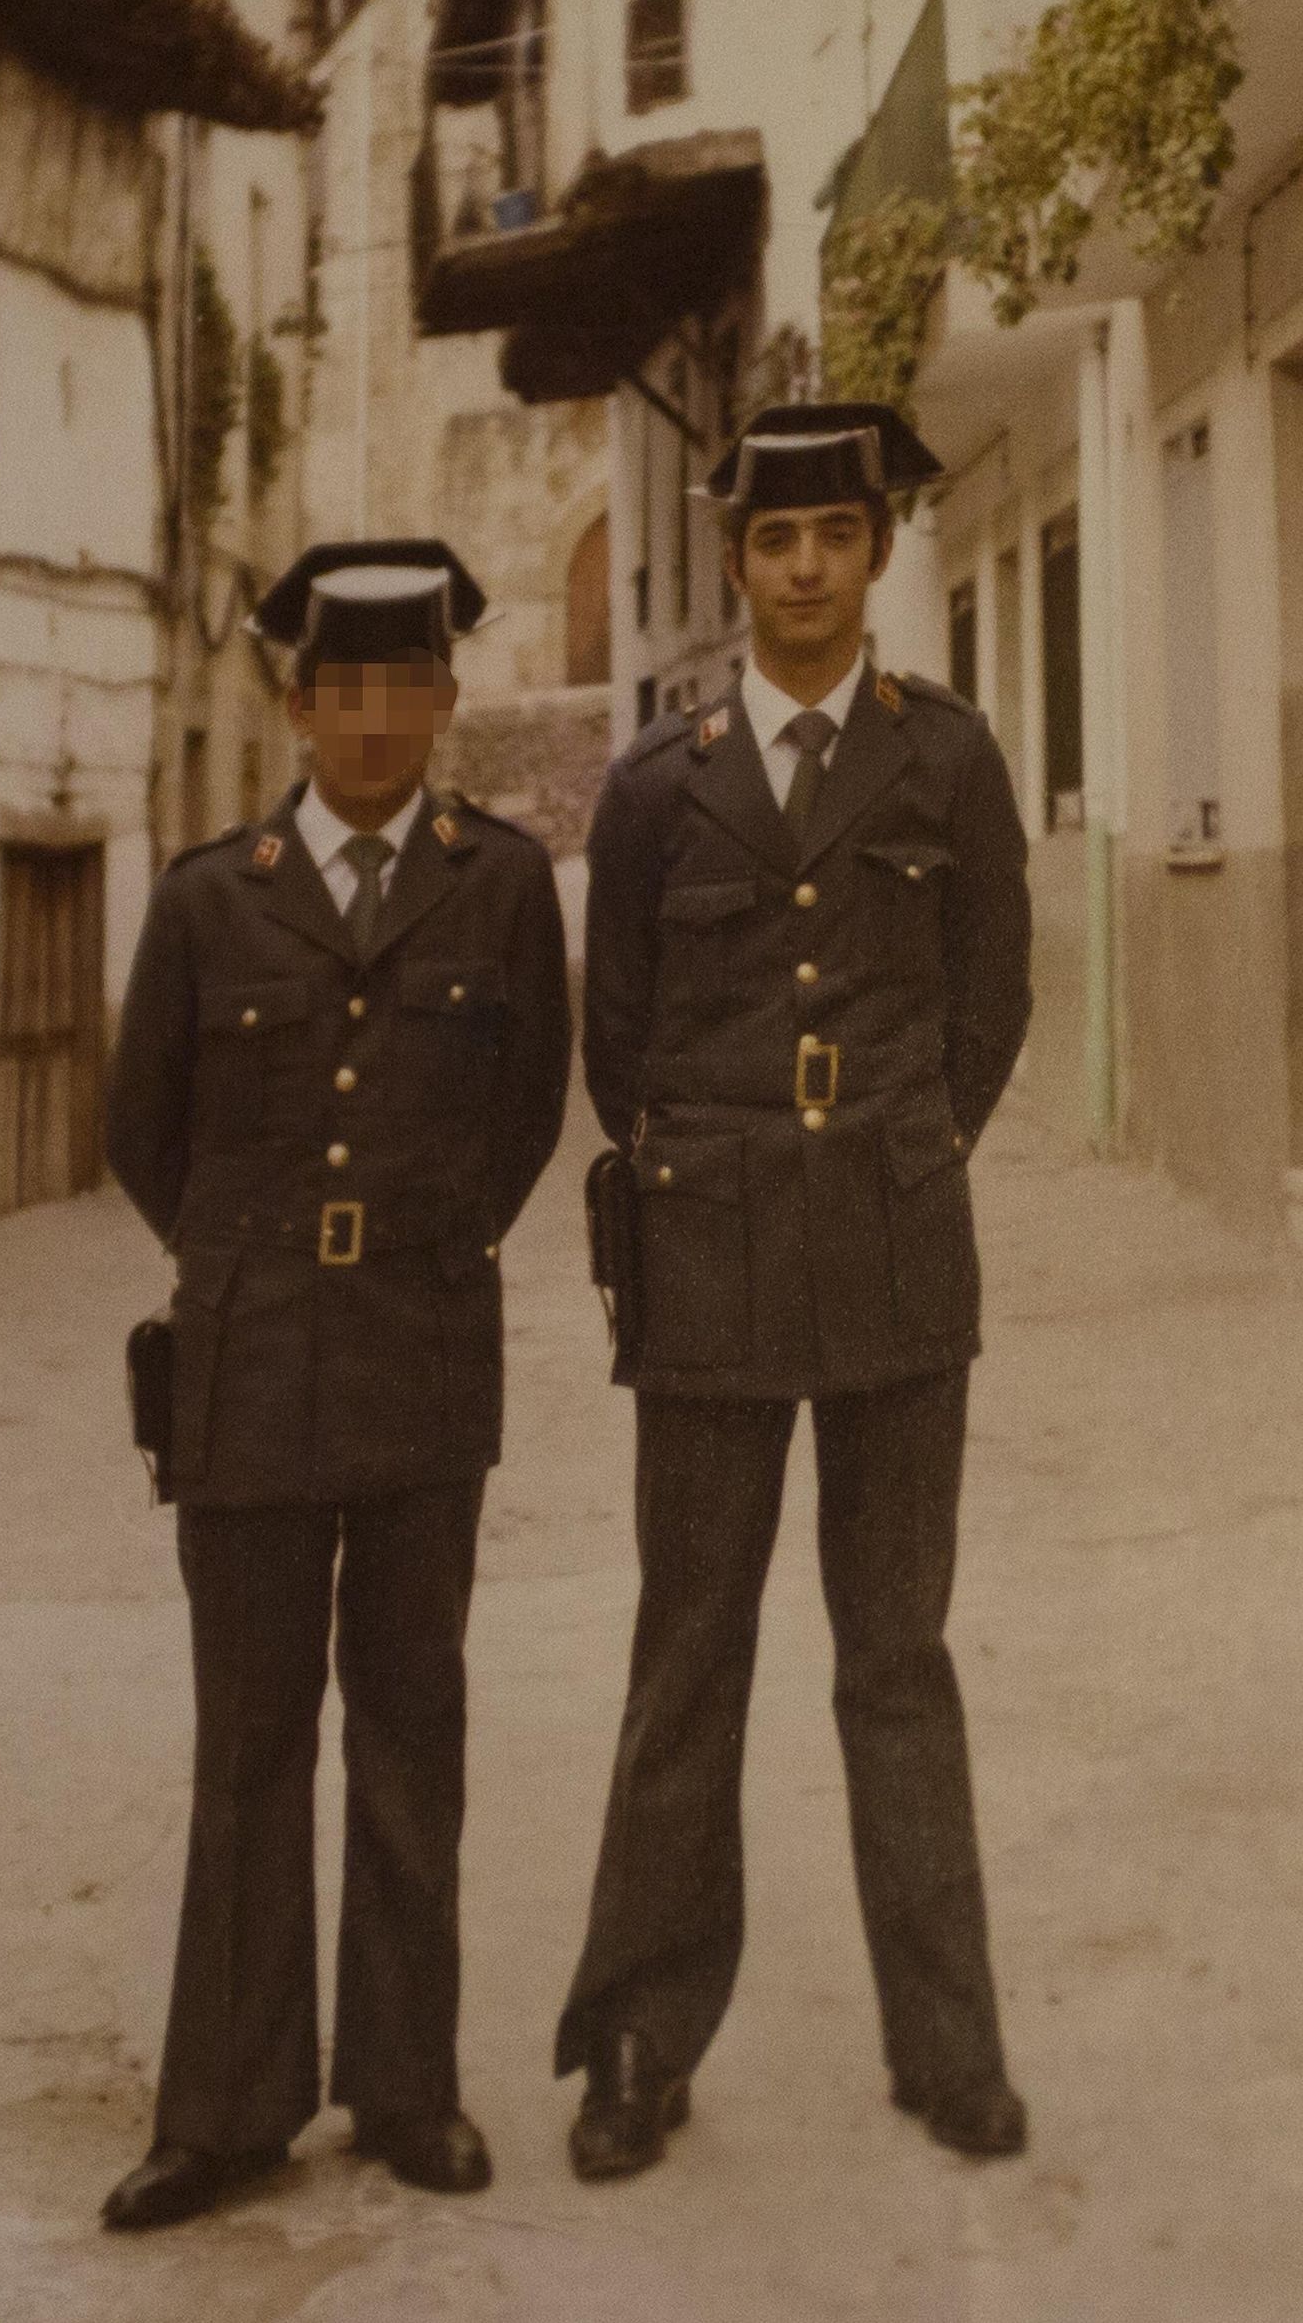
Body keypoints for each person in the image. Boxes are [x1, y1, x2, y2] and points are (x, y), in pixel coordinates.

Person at [555, 403, 1034, 2180]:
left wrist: (904, 1146)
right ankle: (635, 2044)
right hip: (711, 1259)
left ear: (880, 553)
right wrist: (730, 1173)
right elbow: (622, 1052)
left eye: (837, 533)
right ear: (740, 562)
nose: (808, 567)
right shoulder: (656, 787)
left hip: (900, 1253)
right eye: (776, 541)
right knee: (689, 1656)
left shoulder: (949, 762)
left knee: (897, 1659)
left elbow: (992, 1002)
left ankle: (950, 2049)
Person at [101, 540, 570, 2227]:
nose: (375, 721)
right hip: (250, 1361)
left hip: (424, 1358)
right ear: (296, 704)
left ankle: (404, 2082)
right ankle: (224, 2107)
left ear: (446, 700)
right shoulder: (205, 894)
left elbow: (527, 1114)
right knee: (249, 1738)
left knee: (410, 1724)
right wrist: (254, 1258)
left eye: (407, 687)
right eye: (341, 689)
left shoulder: (499, 880)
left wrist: (418, 1247)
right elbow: (140, 1130)